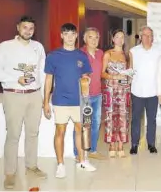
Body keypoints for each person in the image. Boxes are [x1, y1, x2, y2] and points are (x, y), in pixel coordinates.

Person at [0, 16, 47, 189]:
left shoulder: (38, 47)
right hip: (13, 94)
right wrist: (16, 78)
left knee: (33, 133)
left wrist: (44, 98)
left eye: (31, 28)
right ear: (18, 28)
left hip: (35, 95)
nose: (28, 31)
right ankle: (9, 173)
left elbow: (42, 73)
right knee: (13, 135)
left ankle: (31, 166)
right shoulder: (4, 47)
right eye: (25, 27)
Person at [43, 23, 96, 179]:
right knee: (60, 131)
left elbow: (87, 76)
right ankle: (60, 165)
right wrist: (45, 101)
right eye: (66, 34)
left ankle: (82, 161)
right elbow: (48, 80)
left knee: (80, 131)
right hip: (61, 101)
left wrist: (86, 79)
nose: (70, 37)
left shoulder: (82, 55)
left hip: (79, 101)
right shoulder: (53, 56)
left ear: (76, 36)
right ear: (61, 36)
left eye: (73, 34)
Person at [129, 26, 161, 155]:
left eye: (150, 35)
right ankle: (134, 144)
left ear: (153, 38)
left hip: (153, 92)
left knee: (152, 119)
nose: (147, 38)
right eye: (144, 35)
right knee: (136, 119)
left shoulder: (159, 52)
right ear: (140, 37)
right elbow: (130, 70)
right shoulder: (133, 51)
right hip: (137, 91)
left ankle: (151, 144)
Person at [73, 27, 105, 160]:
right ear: (85, 39)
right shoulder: (79, 53)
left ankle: (92, 150)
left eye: (96, 37)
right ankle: (77, 152)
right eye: (90, 37)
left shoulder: (101, 53)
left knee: (96, 123)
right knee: (81, 124)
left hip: (97, 94)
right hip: (83, 95)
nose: (94, 40)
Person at [101, 29, 131, 158]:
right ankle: (112, 144)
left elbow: (130, 72)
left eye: (122, 37)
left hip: (124, 89)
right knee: (110, 116)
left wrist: (129, 78)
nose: (120, 39)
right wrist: (113, 77)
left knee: (123, 116)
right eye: (117, 37)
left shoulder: (127, 55)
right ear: (113, 39)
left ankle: (121, 144)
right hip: (111, 88)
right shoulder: (108, 54)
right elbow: (102, 73)